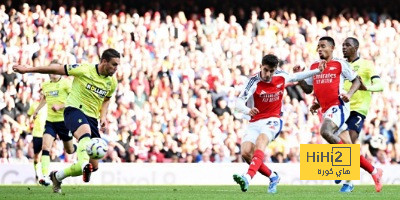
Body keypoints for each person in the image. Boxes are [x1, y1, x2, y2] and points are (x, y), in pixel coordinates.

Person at [13, 48, 120, 193]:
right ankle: (82, 165)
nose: (115, 68)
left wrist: (103, 116)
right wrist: (28, 69)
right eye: (113, 64)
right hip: (74, 110)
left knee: (94, 166)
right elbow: (56, 69)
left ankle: (57, 176)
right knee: (85, 134)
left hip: (92, 118)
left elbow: (107, 99)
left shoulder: (112, 82)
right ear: (104, 61)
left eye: (117, 65)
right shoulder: (84, 69)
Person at [295, 36, 383, 192]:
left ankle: (342, 164)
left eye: (323, 46)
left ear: (331, 48)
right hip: (325, 109)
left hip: (339, 107)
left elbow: (356, 80)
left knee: (325, 131)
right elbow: (308, 89)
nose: (320, 49)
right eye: (318, 47)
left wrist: (349, 94)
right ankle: (373, 171)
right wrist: (299, 77)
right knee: (348, 146)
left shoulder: (340, 64)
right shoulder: (314, 66)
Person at [233, 54, 325, 194]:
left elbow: (297, 77)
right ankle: (273, 176)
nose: (268, 74)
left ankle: (247, 177)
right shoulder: (253, 82)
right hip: (255, 120)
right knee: (246, 153)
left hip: (273, 119)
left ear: (275, 69)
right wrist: (248, 109)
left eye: (271, 71)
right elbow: (238, 103)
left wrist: (317, 71)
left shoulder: (281, 76)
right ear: (260, 67)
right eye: (265, 70)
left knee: (261, 142)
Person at [31, 60, 76, 186]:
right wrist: (36, 110)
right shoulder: (46, 85)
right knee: (45, 147)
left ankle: (76, 149)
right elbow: (45, 98)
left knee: (69, 150)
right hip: (50, 121)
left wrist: (60, 106)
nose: (54, 72)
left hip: (64, 122)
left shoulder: (66, 84)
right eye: (51, 70)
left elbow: (74, 100)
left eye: (56, 69)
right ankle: (45, 177)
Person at [27, 95, 47, 183]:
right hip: (37, 134)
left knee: (45, 154)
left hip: (46, 133)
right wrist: (29, 123)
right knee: (36, 156)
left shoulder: (48, 105)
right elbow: (28, 117)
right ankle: (37, 174)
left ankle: (45, 175)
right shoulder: (34, 105)